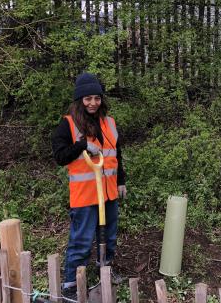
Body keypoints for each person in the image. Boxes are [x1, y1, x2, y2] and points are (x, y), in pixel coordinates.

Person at [52, 72, 127, 299]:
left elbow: (117, 155)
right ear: (79, 100)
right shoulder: (68, 125)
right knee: (82, 241)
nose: (93, 103)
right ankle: (70, 285)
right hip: (85, 196)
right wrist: (82, 145)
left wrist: (121, 181)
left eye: (96, 98)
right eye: (87, 99)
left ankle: (105, 271)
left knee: (109, 236)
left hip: (109, 193)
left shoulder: (109, 123)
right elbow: (60, 156)